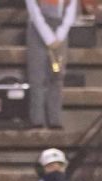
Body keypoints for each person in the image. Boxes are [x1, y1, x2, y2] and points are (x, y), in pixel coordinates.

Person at [25, 0, 77, 129]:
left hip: (60, 29)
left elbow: (71, 10)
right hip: (38, 29)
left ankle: (55, 119)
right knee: (37, 76)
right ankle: (37, 119)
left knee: (57, 75)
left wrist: (60, 35)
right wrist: (49, 38)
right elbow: (34, 11)